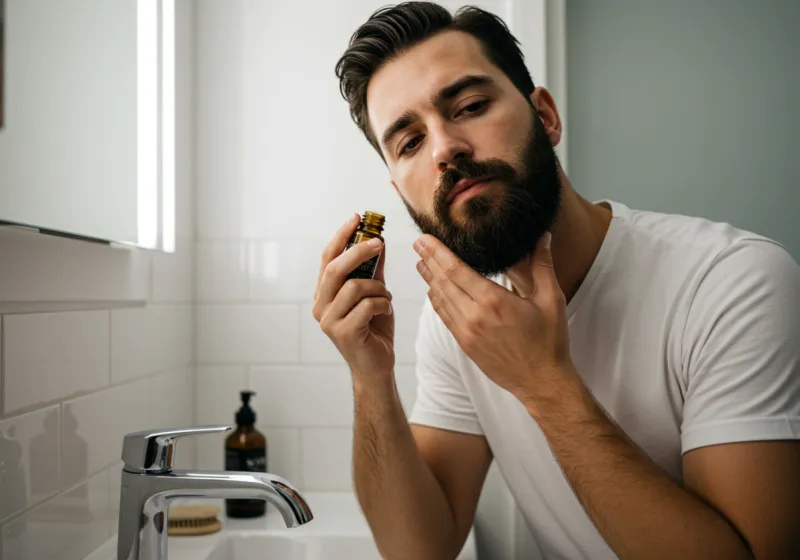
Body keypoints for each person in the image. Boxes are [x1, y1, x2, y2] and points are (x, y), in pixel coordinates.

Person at [312, 3, 800, 559]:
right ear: (401, 192)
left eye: (470, 107)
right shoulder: (457, 325)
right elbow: (418, 550)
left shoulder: (732, 283)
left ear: (544, 116)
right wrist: (370, 377)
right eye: (410, 143)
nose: (444, 148)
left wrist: (543, 383)